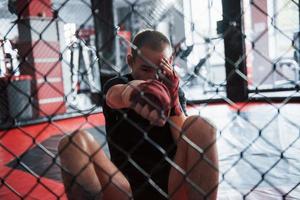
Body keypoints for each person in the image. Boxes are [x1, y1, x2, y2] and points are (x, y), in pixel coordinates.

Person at [58, 29, 219, 200]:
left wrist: (172, 102)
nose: (153, 77)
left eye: (160, 69)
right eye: (145, 69)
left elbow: (184, 143)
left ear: (170, 63)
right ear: (130, 61)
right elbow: (116, 96)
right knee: (72, 143)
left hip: (173, 186)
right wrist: (137, 93)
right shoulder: (117, 84)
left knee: (201, 126)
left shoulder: (176, 92)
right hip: (124, 189)